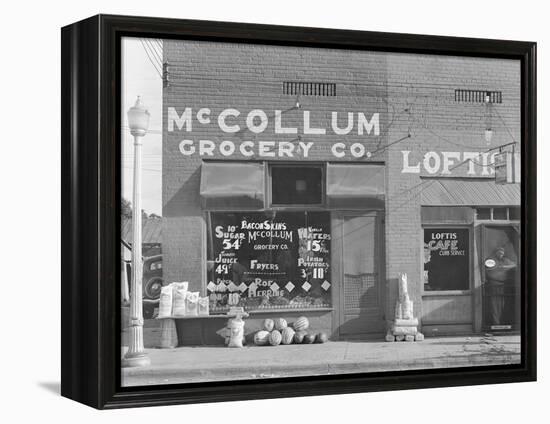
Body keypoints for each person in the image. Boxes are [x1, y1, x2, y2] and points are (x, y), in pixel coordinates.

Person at [485, 247, 516, 326]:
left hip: (503, 286)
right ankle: (496, 323)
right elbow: (489, 269)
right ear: (495, 253)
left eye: (502, 253)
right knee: (494, 305)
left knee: (503, 305)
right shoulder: (491, 260)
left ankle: (502, 323)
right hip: (494, 285)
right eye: (499, 253)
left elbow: (515, 264)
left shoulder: (505, 260)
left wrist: (505, 267)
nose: (501, 255)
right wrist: (498, 268)